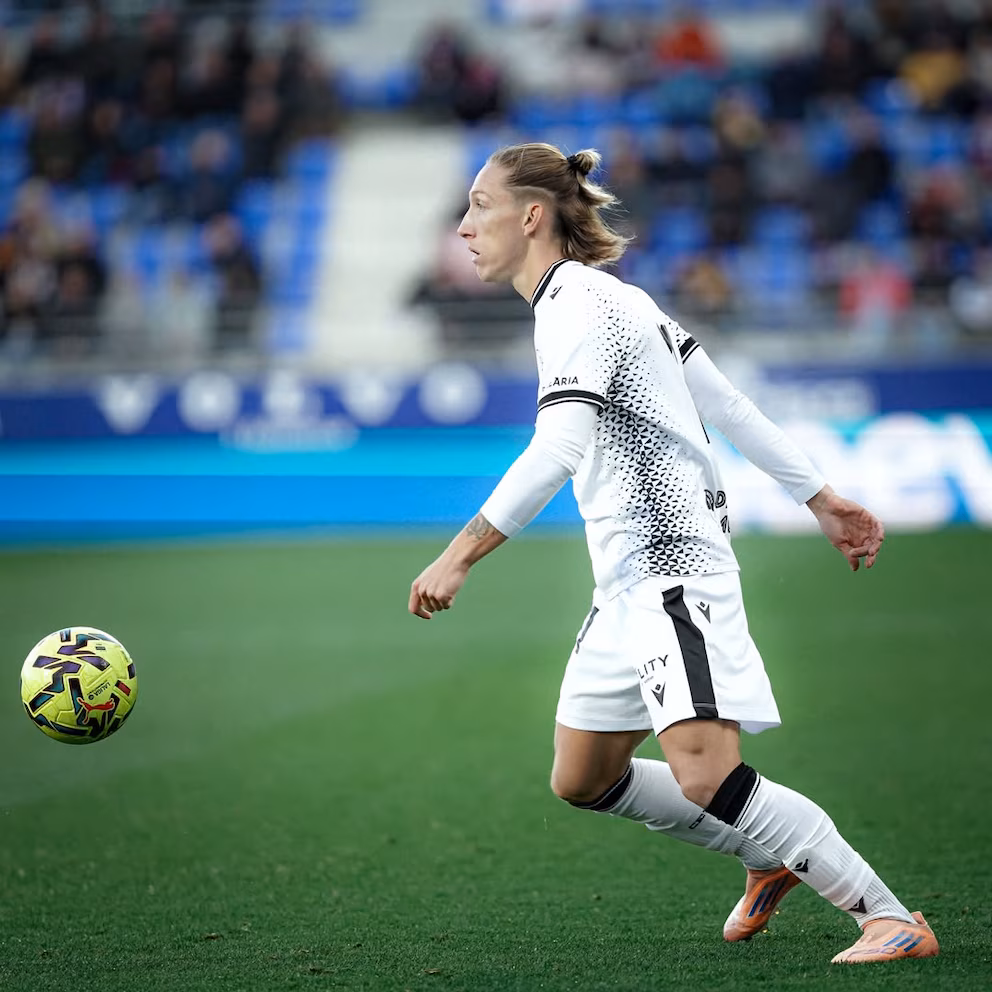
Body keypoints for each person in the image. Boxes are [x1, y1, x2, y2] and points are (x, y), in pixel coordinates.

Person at [407, 142, 939, 965]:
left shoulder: (578, 306)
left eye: (480, 205)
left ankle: (889, 917)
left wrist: (461, 554)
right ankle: (767, 855)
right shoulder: (610, 300)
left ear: (532, 216)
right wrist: (821, 497)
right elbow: (725, 402)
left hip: (672, 572)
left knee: (706, 774)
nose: (465, 226)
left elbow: (558, 448)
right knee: (584, 776)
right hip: (624, 586)